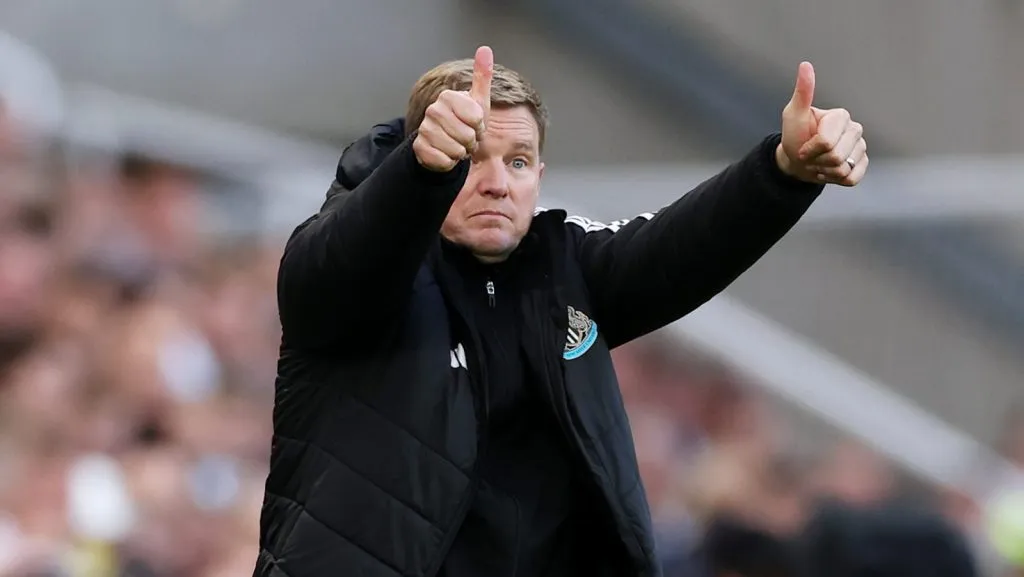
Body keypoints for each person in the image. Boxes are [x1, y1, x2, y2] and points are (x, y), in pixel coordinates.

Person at [254, 46, 868, 577]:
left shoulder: (564, 268)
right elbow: (329, 276)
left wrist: (783, 171)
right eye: (472, 156)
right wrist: (417, 176)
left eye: (517, 161)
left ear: (540, 176)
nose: (498, 182)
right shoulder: (362, 261)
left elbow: (680, 246)